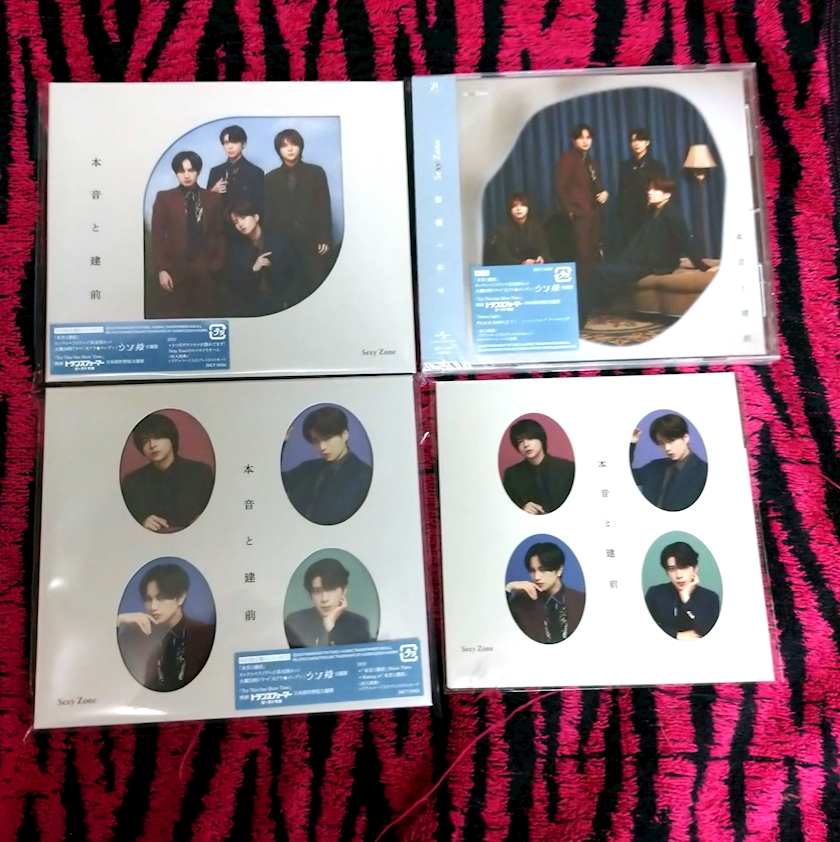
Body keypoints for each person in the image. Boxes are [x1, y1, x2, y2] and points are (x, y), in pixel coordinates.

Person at [580, 176, 718, 324]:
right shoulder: (655, 212)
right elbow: (641, 241)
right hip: (642, 260)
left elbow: (687, 244)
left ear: (667, 194)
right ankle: (589, 308)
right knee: (601, 269)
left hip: (656, 264)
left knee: (601, 271)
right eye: (650, 188)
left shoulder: (672, 215)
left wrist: (703, 267)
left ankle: (580, 316)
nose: (649, 192)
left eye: (655, 189)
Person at [149, 151, 226, 318]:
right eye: (181, 171)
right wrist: (162, 269)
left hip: (206, 269)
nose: (186, 175)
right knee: (178, 317)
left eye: (191, 170)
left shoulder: (212, 198)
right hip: (176, 269)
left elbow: (219, 233)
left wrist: (216, 264)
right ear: (176, 173)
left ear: (198, 171)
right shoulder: (164, 198)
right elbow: (157, 236)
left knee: (207, 317)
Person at [117, 563, 215, 691]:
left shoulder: (204, 634)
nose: (153, 607)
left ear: (180, 598)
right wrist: (119, 620)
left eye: (161, 598)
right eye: (148, 599)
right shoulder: (135, 634)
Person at [263, 129, 333, 298]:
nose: (290, 149)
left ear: (301, 146)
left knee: (316, 287)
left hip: (311, 241)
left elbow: (324, 207)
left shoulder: (316, 173)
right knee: (288, 291)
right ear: (278, 150)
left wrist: (324, 237)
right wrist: (271, 244)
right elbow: (269, 213)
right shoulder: (270, 178)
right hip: (283, 244)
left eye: (294, 144)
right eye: (284, 145)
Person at [120, 412, 215, 532]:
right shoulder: (132, 482)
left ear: (171, 438)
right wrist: (141, 521)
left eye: (158, 437)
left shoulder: (200, 472)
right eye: (145, 440)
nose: (152, 445)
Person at [281, 406, 372, 525]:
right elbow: (275, 481)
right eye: (316, 440)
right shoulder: (308, 469)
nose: (322, 447)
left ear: (344, 435)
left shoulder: (363, 476)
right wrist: (281, 443)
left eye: (327, 438)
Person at [554, 124, 608, 301]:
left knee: (594, 255)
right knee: (582, 256)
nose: (585, 141)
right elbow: (560, 188)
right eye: (581, 137)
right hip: (579, 216)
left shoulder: (592, 162)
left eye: (588, 138)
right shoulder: (567, 159)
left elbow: (596, 186)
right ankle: (581, 300)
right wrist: (571, 211)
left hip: (594, 214)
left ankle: (594, 298)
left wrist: (604, 194)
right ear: (573, 140)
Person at [223, 202, 306, 316]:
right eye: (235, 222)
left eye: (243, 217)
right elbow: (236, 283)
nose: (240, 224)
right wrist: (253, 269)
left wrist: (287, 301)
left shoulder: (279, 241)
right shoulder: (238, 249)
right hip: (253, 307)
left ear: (256, 217)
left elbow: (298, 274)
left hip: (282, 303)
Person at [506, 541, 585, 644]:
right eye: (532, 571)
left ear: (559, 570)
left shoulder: (581, 600)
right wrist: (509, 588)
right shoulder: (520, 603)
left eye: (543, 570)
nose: (536, 577)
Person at [284, 557, 372, 648]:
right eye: (317, 591)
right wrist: (326, 629)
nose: (324, 599)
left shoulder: (358, 624)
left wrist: (330, 627)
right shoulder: (295, 622)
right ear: (310, 594)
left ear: (344, 590)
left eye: (330, 589)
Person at [630, 413, 708, 511]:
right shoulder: (654, 467)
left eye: (671, 441)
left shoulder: (704, 472)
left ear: (686, 438)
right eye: (661, 443)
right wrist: (631, 443)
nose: (667, 448)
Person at [645, 541, 720, 640]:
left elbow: (708, 630)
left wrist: (686, 599)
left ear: (695, 568)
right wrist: (676, 635)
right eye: (672, 569)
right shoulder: (655, 594)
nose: (679, 575)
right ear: (667, 571)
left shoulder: (710, 598)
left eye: (684, 567)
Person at [502, 418, 575, 514]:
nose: (525, 444)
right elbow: (505, 510)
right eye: (520, 441)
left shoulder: (568, 468)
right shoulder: (512, 474)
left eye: (530, 438)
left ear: (541, 438)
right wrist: (521, 508)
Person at [617, 127, 666, 249]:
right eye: (633, 141)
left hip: (649, 211)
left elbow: (661, 190)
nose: (636, 144)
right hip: (629, 214)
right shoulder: (625, 166)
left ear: (647, 142)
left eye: (640, 140)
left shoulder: (656, 166)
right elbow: (622, 191)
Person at [206, 125, 265, 214]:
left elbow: (261, 206)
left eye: (234, 142)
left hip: (246, 220)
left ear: (243, 144)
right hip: (220, 221)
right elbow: (206, 207)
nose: (230, 147)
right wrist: (213, 192)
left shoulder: (256, 172)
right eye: (226, 143)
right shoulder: (216, 171)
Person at [485, 193, 552, 265]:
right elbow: (503, 255)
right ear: (510, 210)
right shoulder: (503, 230)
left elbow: (543, 249)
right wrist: (522, 263)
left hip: (535, 265)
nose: (518, 209)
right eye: (514, 206)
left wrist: (541, 257)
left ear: (528, 208)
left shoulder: (536, 226)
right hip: (512, 266)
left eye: (522, 205)